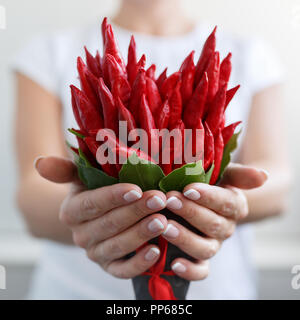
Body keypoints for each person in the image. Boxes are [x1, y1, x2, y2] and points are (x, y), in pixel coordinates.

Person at [13, 0, 291, 299]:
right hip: (75, 290)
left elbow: (277, 182)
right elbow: (32, 193)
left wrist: (228, 203)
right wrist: (87, 216)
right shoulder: (50, 50)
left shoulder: (250, 52)